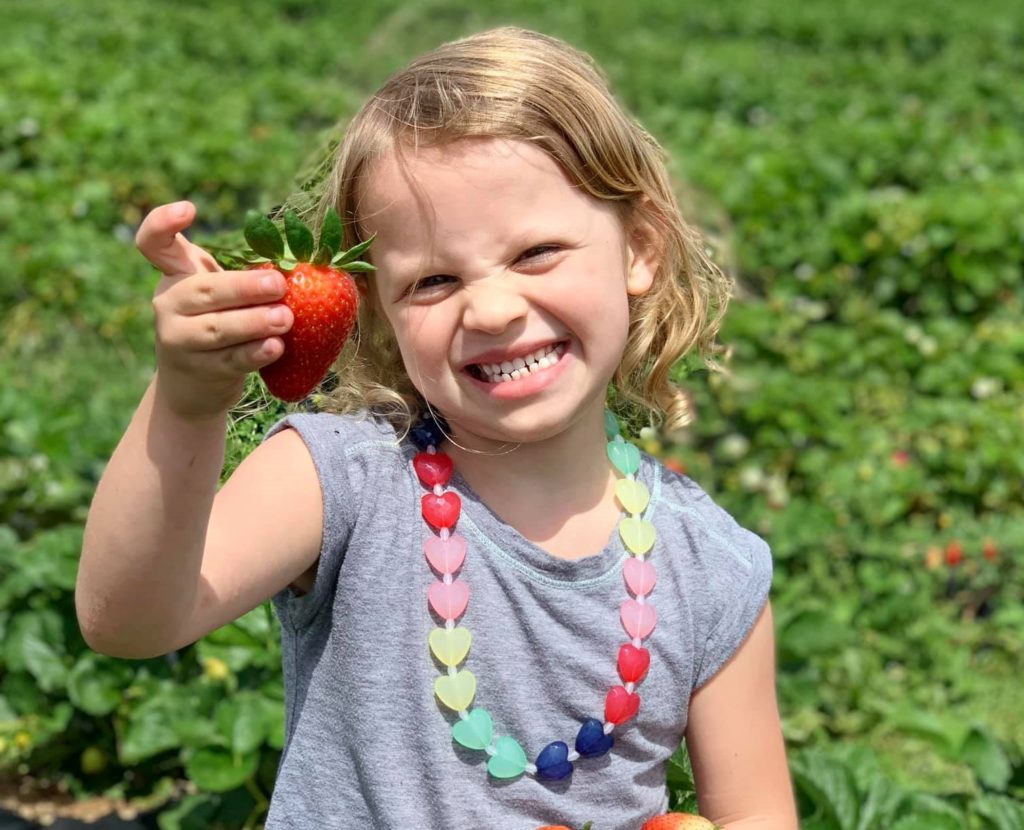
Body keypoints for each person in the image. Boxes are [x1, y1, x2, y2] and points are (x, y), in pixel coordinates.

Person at [77, 27, 798, 830]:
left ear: (640, 249)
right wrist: (187, 400)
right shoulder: (342, 479)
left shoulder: (710, 567)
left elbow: (755, 816)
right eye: (434, 280)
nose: (490, 309)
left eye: (537, 253)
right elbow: (130, 620)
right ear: (380, 308)